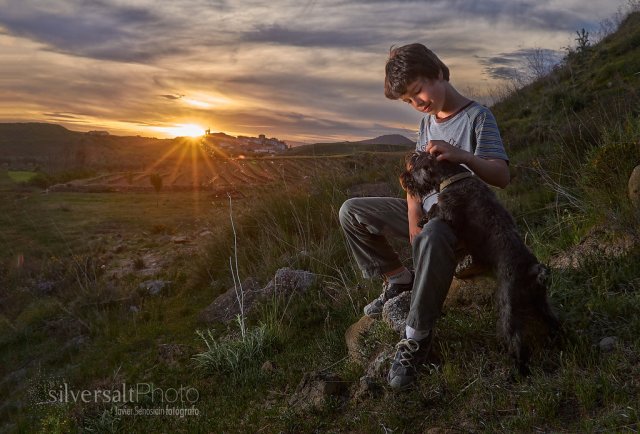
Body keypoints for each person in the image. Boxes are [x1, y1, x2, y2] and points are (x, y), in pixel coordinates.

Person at [338, 43, 510, 389]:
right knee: (352, 210)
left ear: (439, 73)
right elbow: (415, 176)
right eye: (408, 101)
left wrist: (463, 156)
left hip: (464, 218)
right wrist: (414, 214)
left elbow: (501, 176)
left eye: (417, 91)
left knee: (433, 234)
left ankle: (416, 337)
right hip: (430, 211)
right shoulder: (426, 124)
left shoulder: (478, 117)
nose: (417, 103)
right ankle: (398, 277)